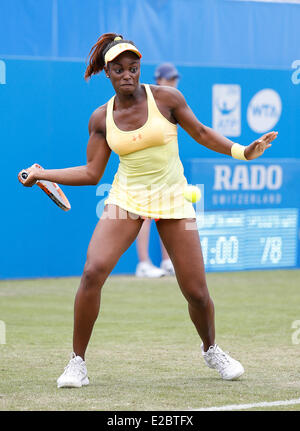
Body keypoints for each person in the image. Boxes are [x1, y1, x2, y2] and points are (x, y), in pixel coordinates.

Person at [18, 33, 278, 388]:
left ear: (140, 68)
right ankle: (77, 362)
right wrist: (42, 173)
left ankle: (211, 349)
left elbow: (201, 132)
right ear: (107, 72)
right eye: (119, 69)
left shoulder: (168, 99)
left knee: (197, 293)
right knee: (93, 271)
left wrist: (242, 152)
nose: (128, 74)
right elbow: (92, 172)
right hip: (126, 201)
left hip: (174, 201)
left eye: (133, 67)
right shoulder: (100, 118)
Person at [135, 62, 180, 278]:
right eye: (169, 79)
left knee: (164, 214)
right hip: (145, 169)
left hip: (164, 169)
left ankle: (166, 261)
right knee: (144, 216)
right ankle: (143, 264)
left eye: (175, 79)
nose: (173, 83)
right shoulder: (148, 102)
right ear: (159, 80)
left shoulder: (173, 103)